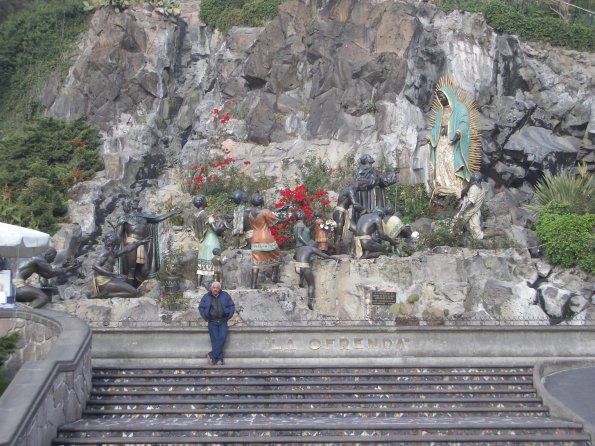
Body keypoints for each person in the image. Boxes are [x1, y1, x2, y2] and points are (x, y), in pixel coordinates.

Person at [424, 80, 480, 200]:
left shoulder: (460, 108)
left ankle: (454, 187)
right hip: (441, 142)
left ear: (449, 95)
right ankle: (443, 186)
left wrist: (459, 132)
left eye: (443, 96)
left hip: (453, 143)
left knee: (450, 162)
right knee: (441, 164)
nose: (442, 98)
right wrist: (430, 136)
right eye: (440, 97)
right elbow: (435, 127)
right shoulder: (440, 112)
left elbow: (465, 123)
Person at [116, 197, 181, 287]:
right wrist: (114, 247)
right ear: (128, 204)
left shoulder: (143, 216)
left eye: (136, 201)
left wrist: (171, 213)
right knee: (131, 270)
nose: (137, 202)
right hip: (131, 245)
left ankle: (134, 287)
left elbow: (157, 219)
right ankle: (131, 292)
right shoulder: (124, 218)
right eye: (134, 201)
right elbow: (118, 235)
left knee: (145, 270)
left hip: (142, 244)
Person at [13, 247, 79, 308]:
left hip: (8, 284)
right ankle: (26, 314)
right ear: (49, 254)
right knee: (43, 297)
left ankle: (26, 311)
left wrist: (63, 267)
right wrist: (67, 269)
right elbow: (52, 271)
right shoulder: (38, 258)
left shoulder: (32, 258)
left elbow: (47, 275)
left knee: (39, 296)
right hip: (17, 285)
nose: (52, 261)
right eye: (53, 258)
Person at [92, 231, 150, 298]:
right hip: (103, 281)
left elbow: (126, 249)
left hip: (109, 278)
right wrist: (110, 274)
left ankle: (107, 292)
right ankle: (106, 294)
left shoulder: (112, 252)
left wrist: (139, 243)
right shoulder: (105, 252)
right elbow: (95, 266)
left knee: (125, 279)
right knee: (134, 292)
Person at [248, 192, 288, 289]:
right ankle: (274, 277)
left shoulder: (250, 213)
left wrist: (280, 209)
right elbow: (276, 221)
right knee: (277, 254)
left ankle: (253, 284)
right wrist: (287, 219)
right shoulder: (264, 212)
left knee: (256, 262)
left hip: (255, 238)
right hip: (265, 237)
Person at [191, 195, 228, 289]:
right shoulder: (207, 215)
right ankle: (216, 286)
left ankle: (199, 286)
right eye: (205, 200)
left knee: (201, 266)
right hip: (211, 241)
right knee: (215, 264)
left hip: (202, 243)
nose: (207, 201)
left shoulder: (194, 216)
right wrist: (224, 225)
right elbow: (216, 230)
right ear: (203, 202)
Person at [198, 281, 235, 366]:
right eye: (214, 288)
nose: (215, 289)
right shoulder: (206, 296)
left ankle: (211, 355)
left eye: (217, 288)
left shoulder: (225, 295)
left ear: (219, 289)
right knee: (215, 341)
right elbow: (201, 307)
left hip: (222, 321)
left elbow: (231, 306)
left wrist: (229, 315)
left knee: (222, 337)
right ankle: (219, 360)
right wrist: (205, 317)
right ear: (211, 288)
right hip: (212, 322)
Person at [294, 240, 337, 310]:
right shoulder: (311, 248)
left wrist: (307, 259)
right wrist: (333, 257)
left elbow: (294, 257)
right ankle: (310, 302)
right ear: (314, 245)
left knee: (303, 272)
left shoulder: (300, 248)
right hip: (304, 266)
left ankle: (300, 282)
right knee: (311, 285)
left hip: (296, 267)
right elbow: (324, 256)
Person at [354, 154, 397, 220]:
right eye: (371, 162)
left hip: (362, 199)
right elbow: (384, 181)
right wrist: (394, 174)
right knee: (374, 214)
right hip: (373, 198)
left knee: (363, 215)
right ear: (369, 162)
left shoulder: (358, 172)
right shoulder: (372, 171)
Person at [453, 172, 486, 240]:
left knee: (455, 224)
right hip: (476, 212)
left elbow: (470, 202)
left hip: (468, 212)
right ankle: (497, 233)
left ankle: (453, 239)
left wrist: (462, 211)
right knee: (477, 234)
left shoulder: (474, 188)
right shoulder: (482, 189)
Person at [332, 180, 367, 246]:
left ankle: (351, 252)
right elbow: (355, 205)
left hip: (344, 213)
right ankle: (337, 255)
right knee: (338, 236)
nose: (366, 189)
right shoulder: (350, 190)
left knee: (356, 230)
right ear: (362, 185)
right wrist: (366, 211)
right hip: (340, 213)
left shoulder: (351, 190)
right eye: (366, 187)